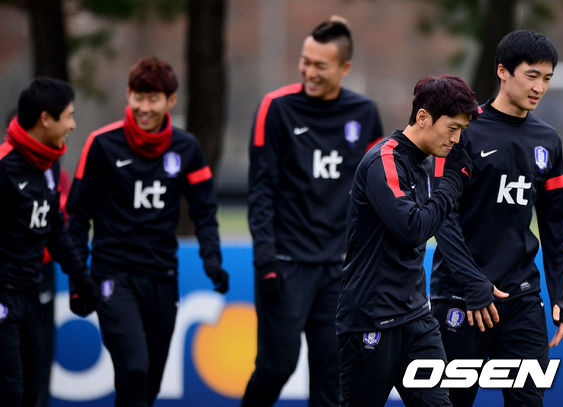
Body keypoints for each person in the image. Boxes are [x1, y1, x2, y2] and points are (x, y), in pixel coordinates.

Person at [66, 57, 229, 407]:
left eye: (153, 99)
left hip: (162, 276)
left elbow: (204, 210)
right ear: (128, 95)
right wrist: (79, 280)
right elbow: (77, 216)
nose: (144, 107)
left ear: (171, 100)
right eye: (138, 97)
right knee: (134, 369)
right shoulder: (102, 144)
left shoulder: (187, 148)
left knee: (149, 384)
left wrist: (212, 260)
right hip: (113, 276)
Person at [243, 16, 384, 407]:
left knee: (333, 376)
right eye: (305, 61)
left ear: (344, 68)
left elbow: (377, 190)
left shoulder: (365, 113)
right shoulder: (275, 108)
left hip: (340, 270)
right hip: (286, 265)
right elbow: (260, 190)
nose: (309, 71)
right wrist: (266, 259)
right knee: (276, 367)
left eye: (320, 65)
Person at [430, 29, 563, 407]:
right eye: (531, 75)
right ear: (503, 71)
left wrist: (559, 294)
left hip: (522, 299)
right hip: (460, 298)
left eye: (547, 78)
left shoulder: (548, 141)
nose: (540, 87)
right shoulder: (463, 131)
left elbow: (556, 227)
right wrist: (473, 283)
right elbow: (443, 218)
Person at [336, 75, 479, 407]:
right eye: (452, 128)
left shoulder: (422, 165)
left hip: (417, 319)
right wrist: (452, 184)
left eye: (461, 130)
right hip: (371, 319)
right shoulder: (383, 160)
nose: (456, 139)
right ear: (423, 117)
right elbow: (413, 228)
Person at [0, 78, 99, 407]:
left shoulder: (49, 164)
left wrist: (81, 278)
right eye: (69, 116)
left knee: (34, 388)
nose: (73, 125)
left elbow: (55, 229)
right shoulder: (4, 166)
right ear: (46, 119)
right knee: (10, 390)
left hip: (31, 293)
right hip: (4, 296)